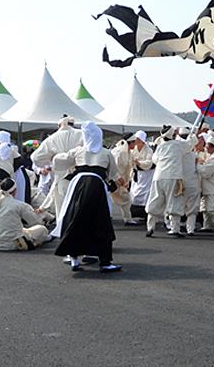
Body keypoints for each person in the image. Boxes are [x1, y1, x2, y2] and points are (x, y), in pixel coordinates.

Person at [51, 122, 123, 272]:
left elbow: (59, 161)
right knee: (101, 221)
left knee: (75, 217)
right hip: (97, 185)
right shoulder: (106, 153)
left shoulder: (78, 151)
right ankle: (104, 262)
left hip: (78, 184)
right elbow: (113, 174)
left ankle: (74, 258)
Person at [145, 125, 196, 237]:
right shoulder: (178, 145)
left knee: (155, 201)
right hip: (173, 176)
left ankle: (150, 227)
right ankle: (175, 228)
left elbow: (155, 159)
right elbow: (190, 145)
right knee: (175, 202)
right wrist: (192, 136)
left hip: (158, 176)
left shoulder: (160, 146)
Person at [0, 178, 49, 251]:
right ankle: (32, 243)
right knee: (42, 229)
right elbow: (35, 221)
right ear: (15, 191)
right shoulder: (19, 205)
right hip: (14, 243)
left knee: (23, 230)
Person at [32, 116, 83, 216]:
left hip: (62, 178)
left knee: (63, 210)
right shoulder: (82, 135)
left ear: (59, 125)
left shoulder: (52, 138)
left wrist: (52, 161)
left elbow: (35, 158)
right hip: (81, 176)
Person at [0, 131, 31, 204]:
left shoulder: (6, 150)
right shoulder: (7, 149)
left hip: (17, 175)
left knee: (19, 198)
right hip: (16, 174)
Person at [179, 129, 202, 235]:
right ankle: (190, 229)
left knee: (179, 206)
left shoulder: (177, 153)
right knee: (192, 209)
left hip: (181, 184)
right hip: (192, 184)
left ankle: (175, 227)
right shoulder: (194, 156)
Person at [110, 133, 136, 226]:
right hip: (113, 180)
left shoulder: (128, 152)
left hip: (121, 181)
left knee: (125, 199)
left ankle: (128, 219)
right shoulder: (118, 152)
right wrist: (117, 178)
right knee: (111, 200)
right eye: (134, 142)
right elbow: (113, 167)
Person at [129, 130, 154, 220]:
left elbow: (150, 162)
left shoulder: (148, 150)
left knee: (145, 194)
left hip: (146, 175)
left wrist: (139, 163)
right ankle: (135, 213)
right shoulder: (134, 150)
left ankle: (145, 214)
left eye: (139, 140)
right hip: (137, 175)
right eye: (136, 140)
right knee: (134, 194)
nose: (137, 142)